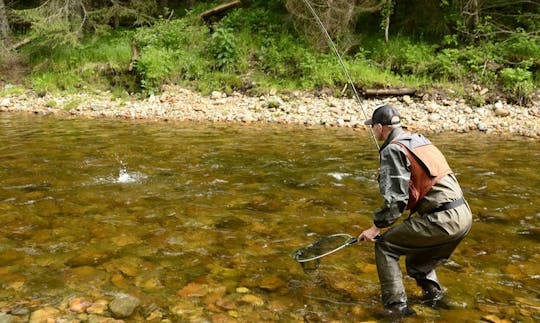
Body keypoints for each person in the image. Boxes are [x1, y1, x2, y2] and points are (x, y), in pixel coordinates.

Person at [358, 105, 472, 318]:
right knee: (418, 262)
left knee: (386, 247)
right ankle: (435, 301)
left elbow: (397, 202)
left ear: (381, 127)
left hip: (443, 219)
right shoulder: (419, 140)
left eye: (372, 128)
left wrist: (375, 228)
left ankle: (396, 309)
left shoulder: (393, 149)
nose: (372, 132)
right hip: (463, 215)